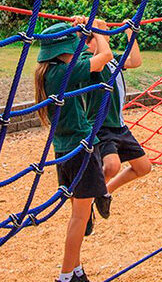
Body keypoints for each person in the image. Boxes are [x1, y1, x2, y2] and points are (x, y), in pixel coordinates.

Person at [35, 19, 113, 282]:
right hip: (80, 150)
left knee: (79, 214)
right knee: (80, 218)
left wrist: (82, 30)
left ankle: (76, 269)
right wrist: (98, 29)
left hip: (65, 151)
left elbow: (90, 56)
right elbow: (104, 57)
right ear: (62, 52)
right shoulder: (64, 73)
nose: (76, 51)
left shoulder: (52, 72)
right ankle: (66, 276)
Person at [84, 22, 151, 234]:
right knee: (111, 166)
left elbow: (135, 61)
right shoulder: (89, 60)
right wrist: (96, 29)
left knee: (143, 167)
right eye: (103, 32)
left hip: (119, 125)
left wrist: (131, 33)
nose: (108, 34)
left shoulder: (111, 59)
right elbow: (101, 58)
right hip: (101, 125)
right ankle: (85, 206)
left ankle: (104, 192)